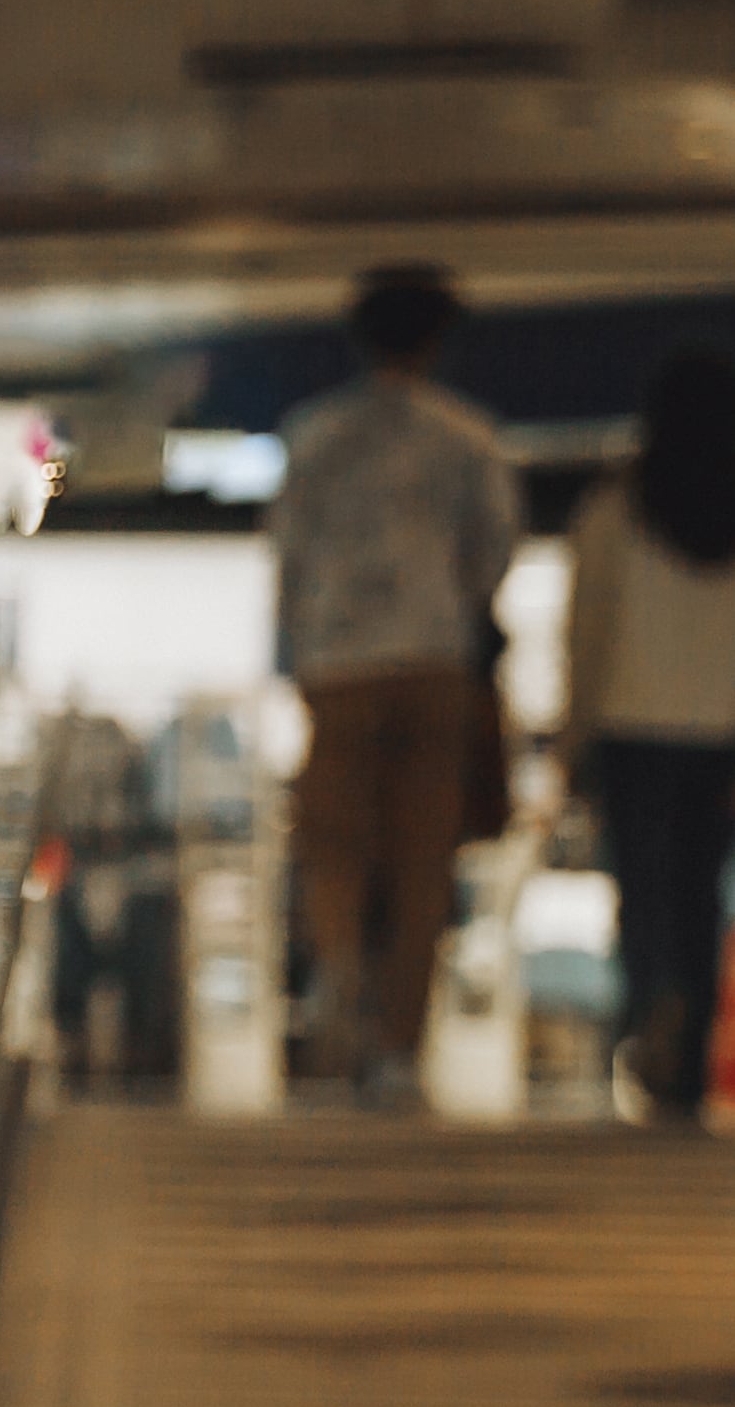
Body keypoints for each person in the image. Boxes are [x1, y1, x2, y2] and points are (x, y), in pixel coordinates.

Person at [271, 261, 523, 1098]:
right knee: (423, 853)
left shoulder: (314, 435)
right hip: (434, 658)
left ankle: (340, 963)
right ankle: (397, 1047)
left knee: (333, 838)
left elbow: (290, 554)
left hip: (339, 659)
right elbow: (495, 549)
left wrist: (293, 654)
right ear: (437, 340)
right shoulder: (468, 435)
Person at [565, 344, 735, 1127]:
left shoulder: (615, 508)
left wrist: (575, 736)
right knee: (703, 892)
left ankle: (654, 1006)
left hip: (636, 724)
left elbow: (587, 631)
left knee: (645, 890)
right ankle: (690, 1044)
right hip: (725, 728)